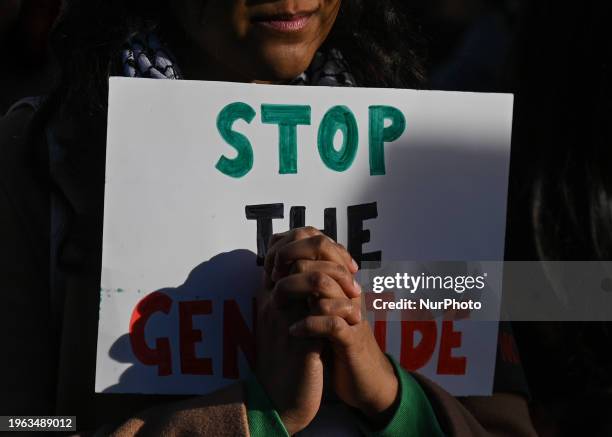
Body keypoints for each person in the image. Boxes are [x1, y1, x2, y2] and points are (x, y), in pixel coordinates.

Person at [0, 0, 536, 435]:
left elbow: (503, 425)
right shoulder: (46, 155)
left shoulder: (434, 157)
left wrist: (393, 397)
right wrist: (251, 416)